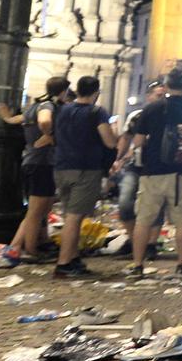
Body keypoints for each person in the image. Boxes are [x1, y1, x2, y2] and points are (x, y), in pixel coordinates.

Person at [126, 66, 182, 277]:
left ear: (166, 85)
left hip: (153, 171)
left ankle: (137, 265)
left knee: (144, 220)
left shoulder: (153, 108)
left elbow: (138, 141)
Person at [0, 76, 70, 260]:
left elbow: (14, 120)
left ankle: (17, 246)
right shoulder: (47, 106)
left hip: (34, 161)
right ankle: (31, 251)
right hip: (41, 163)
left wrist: (5, 116)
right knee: (36, 212)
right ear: (64, 91)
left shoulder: (34, 106)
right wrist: (50, 135)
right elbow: (44, 121)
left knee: (40, 210)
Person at [52, 76, 117, 278]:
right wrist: (116, 135)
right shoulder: (97, 112)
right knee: (75, 217)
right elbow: (109, 142)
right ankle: (63, 263)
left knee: (69, 214)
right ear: (96, 92)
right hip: (85, 169)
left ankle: (72, 258)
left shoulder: (64, 110)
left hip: (62, 166)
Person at [112, 80, 166, 261]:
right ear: (149, 96)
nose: (162, 98)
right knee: (125, 204)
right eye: (158, 95)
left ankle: (150, 244)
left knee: (156, 207)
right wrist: (118, 159)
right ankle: (135, 240)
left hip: (158, 167)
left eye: (164, 95)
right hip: (135, 165)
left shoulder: (169, 114)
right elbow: (126, 137)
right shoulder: (136, 116)